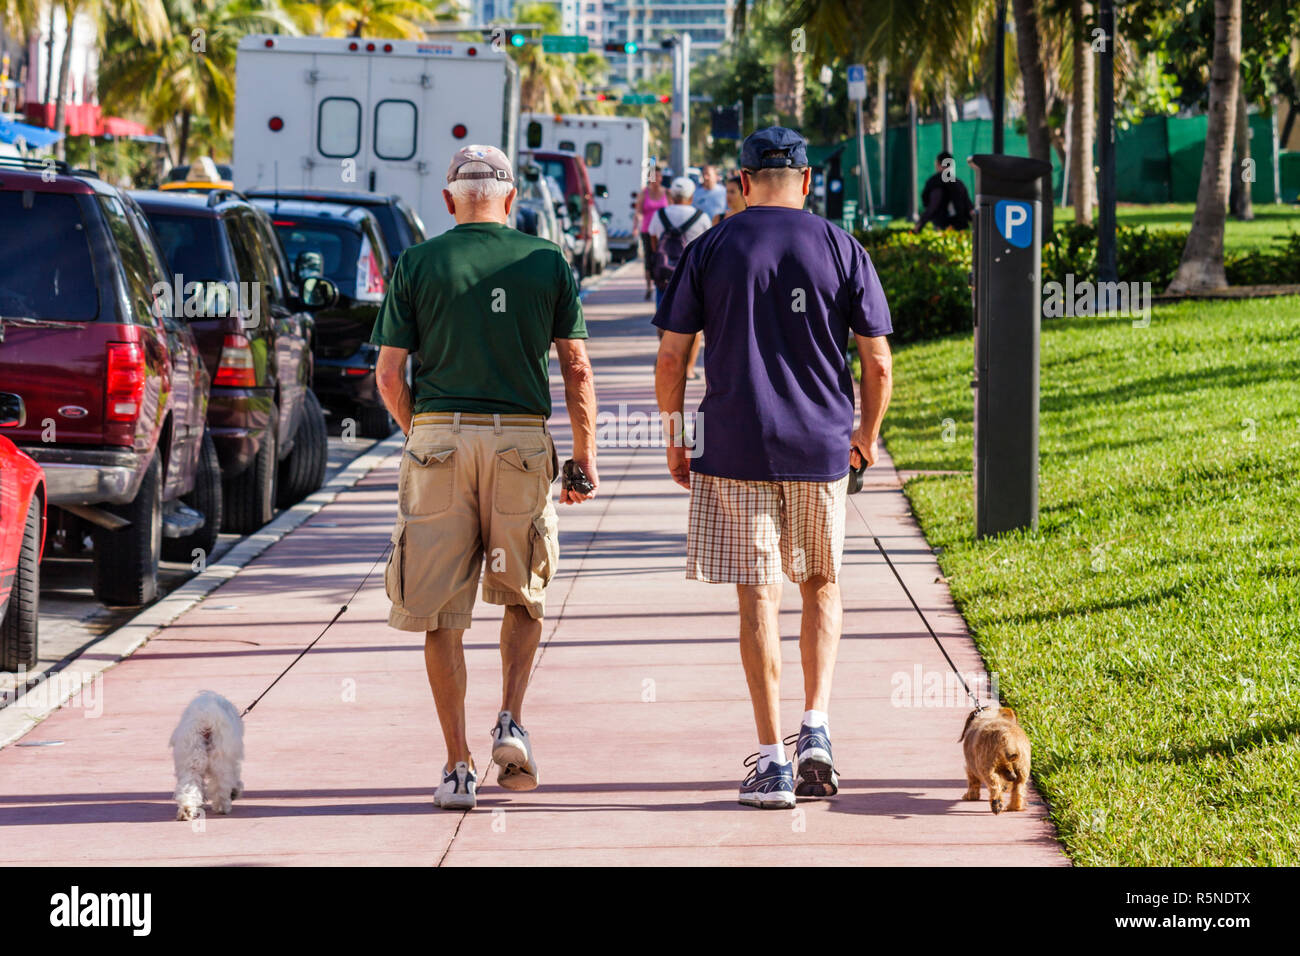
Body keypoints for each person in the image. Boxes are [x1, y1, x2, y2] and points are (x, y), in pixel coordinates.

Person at [653, 127, 894, 809]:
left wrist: (677, 435)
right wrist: (865, 438)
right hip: (820, 448)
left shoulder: (710, 248)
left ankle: (771, 764)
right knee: (822, 583)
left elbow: (673, 357)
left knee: (759, 594)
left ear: (742, 180)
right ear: (809, 180)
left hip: (733, 447)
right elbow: (876, 362)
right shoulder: (843, 248)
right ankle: (815, 729)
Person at [371, 144, 600, 812]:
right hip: (521, 445)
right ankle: (510, 719)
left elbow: (388, 375)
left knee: (441, 612)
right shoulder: (546, 260)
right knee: (524, 594)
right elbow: (578, 370)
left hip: (440, 436)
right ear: (510, 200)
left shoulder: (416, 262)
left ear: (448, 201)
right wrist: (583, 460)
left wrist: (423, 434)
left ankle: (457, 767)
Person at [648, 175, 711, 378]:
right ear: (691, 196)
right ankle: (688, 368)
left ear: (672, 196)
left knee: (662, 317)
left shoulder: (660, 215)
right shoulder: (701, 217)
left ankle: (666, 352)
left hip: (665, 275)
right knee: (694, 324)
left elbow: (654, 242)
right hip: (693, 276)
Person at [914, 151, 973, 232]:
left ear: (937, 163)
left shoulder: (935, 182)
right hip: (960, 227)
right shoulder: (959, 183)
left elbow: (933, 206)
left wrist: (920, 224)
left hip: (941, 227)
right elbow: (969, 207)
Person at [635, 170, 669, 301]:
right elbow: (638, 211)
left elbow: (671, 208)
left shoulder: (667, 192)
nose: (655, 179)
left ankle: (663, 281)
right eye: (653, 176)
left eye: (658, 176)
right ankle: (649, 286)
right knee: (649, 259)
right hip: (647, 230)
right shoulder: (644, 193)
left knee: (663, 257)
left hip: (663, 231)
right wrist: (636, 225)